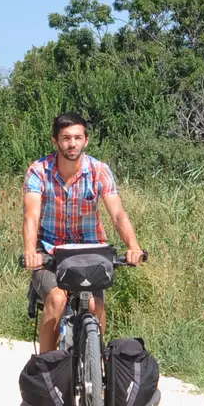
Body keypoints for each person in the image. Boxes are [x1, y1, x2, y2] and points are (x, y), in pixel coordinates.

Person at [23, 112, 146, 353]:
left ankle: (95, 364)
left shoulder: (99, 171)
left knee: (94, 305)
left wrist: (134, 246)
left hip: (91, 251)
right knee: (57, 300)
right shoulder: (39, 171)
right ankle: (48, 368)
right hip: (50, 252)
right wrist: (30, 252)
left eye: (78, 137)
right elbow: (31, 215)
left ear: (86, 141)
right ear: (55, 141)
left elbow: (118, 214)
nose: (72, 143)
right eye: (66, 138)